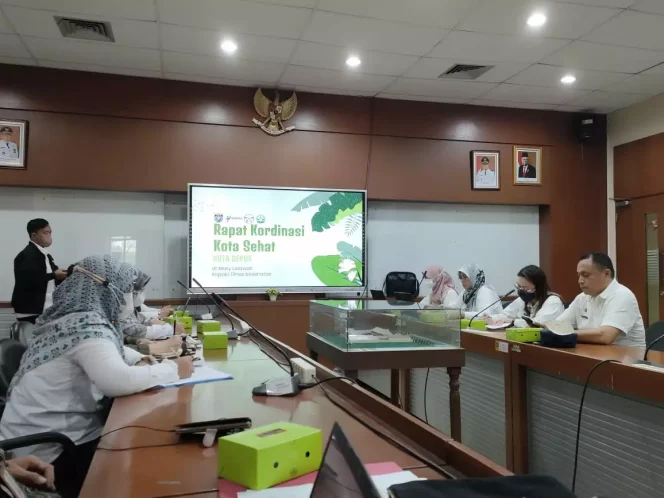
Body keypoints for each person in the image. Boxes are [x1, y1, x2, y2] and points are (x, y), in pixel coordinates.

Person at [0, 255, 193, 497]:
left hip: (34, 436)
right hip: (49, 450)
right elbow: (117, 381)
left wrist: (140, 359)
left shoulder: (73, 318)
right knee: (150, 458)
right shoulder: (86, 326)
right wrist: (173, 369)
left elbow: (114, 349)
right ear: (106, 289)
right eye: (125, 289)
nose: (128, 296)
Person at [557, 252, 645, 347]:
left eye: (585, 275)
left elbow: (605, 336)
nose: (580, 281)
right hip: (592, 354)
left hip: (625, 359)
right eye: (579, 275)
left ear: (606, 274)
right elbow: (557, 326)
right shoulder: (582, 298)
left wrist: (566, 334)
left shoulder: (622, 296)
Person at [11, 219, 67, 343]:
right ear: (34, 235)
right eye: (45, 233)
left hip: (42, 310)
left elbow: (51, 278)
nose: (49, 236)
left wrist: (65, 275)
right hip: (31, 311)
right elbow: (30, 279)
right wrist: (54, 275)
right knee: (34, 346)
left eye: (50, 233)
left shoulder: (44, 255)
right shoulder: (27, 255)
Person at [486, 265, 565, 327]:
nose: (521, 291)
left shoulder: (553, 302)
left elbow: (536, 325)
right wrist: (489, 318)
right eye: (519, 286)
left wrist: (512, 321)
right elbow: (504, 316)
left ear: (539, 287)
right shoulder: (522, 300)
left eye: (525, 288)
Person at [120, 270, 182, 340]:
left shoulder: (129, 309)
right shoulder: (120, 310)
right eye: (139, 289)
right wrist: (171, 329)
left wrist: (153, 322)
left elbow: (141, 320)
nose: (141, 291)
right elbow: (137, 331)